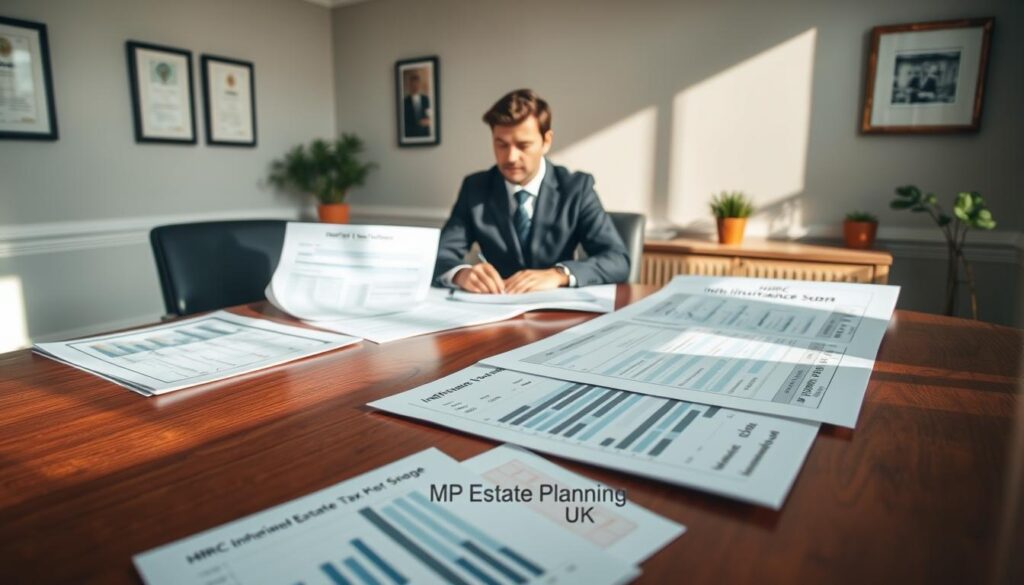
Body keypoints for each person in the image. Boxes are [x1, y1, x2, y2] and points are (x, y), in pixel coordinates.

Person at [433, 89, 630, 294]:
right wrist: (460, 273)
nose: (510, 157)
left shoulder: (576, 189)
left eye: (523, 145)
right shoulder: (475, 188)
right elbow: (439, 254)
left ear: (546, 141)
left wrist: (558, 275)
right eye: (501, 145)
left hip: (558, 313)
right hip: (494, 310)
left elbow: (617, 259)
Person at [403, 73, 431, 137]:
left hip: (425, 134)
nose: (415, 86)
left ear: (419, 84)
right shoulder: (405, 102)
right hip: (411, 135)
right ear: (409, 85)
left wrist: (428, 121)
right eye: (413, 84)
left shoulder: (426, 100)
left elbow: (431, 117)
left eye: (417, 83)